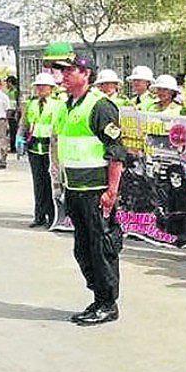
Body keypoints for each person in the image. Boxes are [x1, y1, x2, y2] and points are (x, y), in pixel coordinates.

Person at [45, 50, 129, 326]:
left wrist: (112, 191)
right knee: (83, 249)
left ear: (86, 74)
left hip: (96, 190)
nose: (64, 75)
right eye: (62, 71)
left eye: (70, 70)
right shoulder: (66, 105)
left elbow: (116, 152)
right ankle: (97, 297)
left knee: (101, 247)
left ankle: (108, 303)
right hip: (75, 188)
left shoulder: (100, 106)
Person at [20, 72, 63, 227]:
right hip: (34, 147)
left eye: (43, 86)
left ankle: (52, 216)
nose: (40, 89)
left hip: (50, 147)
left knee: (50, 183)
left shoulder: (58, 104)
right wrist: (20, 137)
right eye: (38, 86)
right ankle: (39, 215)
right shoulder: (31, 104)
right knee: (38, 182)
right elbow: (24, 122)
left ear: (51, 88)